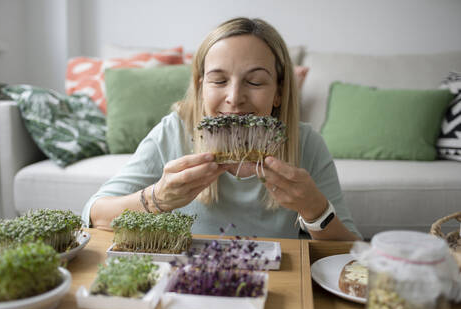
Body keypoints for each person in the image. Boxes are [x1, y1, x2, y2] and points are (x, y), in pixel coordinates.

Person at [82, 17, 362, 241]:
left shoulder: (306, 143)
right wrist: (157, 198)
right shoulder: (173, 132)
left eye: (254, 82)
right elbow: (94, 213)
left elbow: (350, 250)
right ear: (201, 85)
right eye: (218, 81)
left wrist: (315, 210)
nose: (234, 97)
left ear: (278, 92)